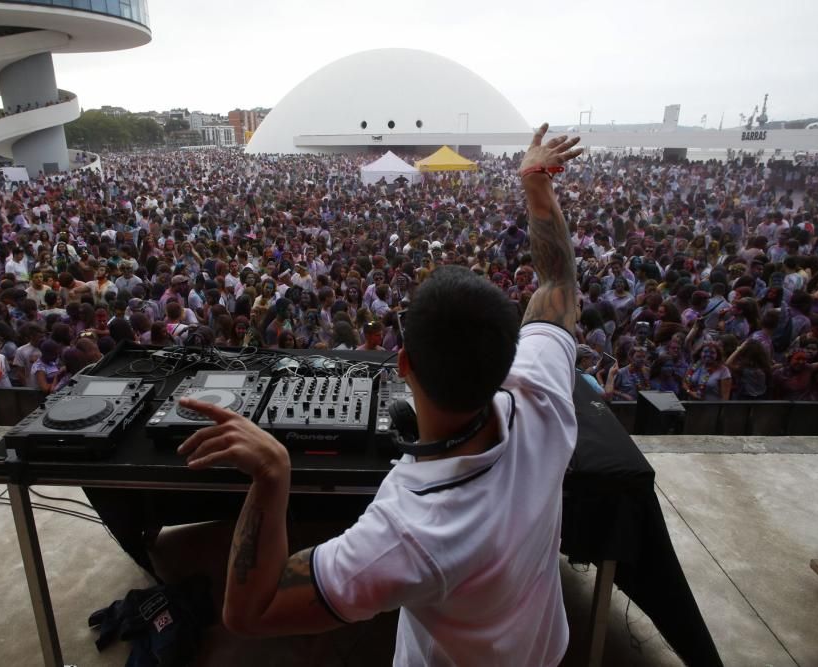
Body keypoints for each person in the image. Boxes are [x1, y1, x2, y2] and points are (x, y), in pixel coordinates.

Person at [167, 124, 582, 665]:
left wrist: (272, 475)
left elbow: (249, 612)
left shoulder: (411, 531)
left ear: (403, 363)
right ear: (509, 359)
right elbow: (557, 284)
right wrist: (536, 185)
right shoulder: (542, 397)